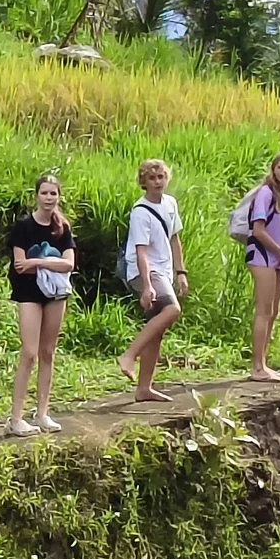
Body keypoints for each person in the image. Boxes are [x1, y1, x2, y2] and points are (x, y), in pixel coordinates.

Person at [5, 173, 76, 436]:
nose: (49, 198)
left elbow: (69, 263)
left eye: (53, 193)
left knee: (48, 352)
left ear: (59, 196)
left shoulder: (62, 228)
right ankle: (16, 417)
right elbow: (19, 265)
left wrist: (38, 263)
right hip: (28, 293)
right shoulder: (23, 227)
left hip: (56, 294)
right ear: (36, 195)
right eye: (44, 193)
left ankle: (43, 413)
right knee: (30, 352)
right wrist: (45, 265)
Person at [117, 158, 187, 402]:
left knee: (157, 328)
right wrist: (146, 286)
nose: (158, 182)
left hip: (164, 271)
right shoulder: (140, 212)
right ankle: (129, 354)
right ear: (143, 183)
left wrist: (181, 272)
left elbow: (175, 239)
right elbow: (140, 251)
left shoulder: (170, 204)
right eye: (152, 178)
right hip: (144, 270)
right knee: (171, 309)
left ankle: (143, 388)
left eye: (161, 177)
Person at [235, 151, 280, 381]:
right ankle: (257, 367)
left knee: (273, 312)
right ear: (273, 169)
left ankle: (263, 363)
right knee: (264, 311)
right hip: (261, 256)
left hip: (277, 258)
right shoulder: (265, 193)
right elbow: (258, 231)